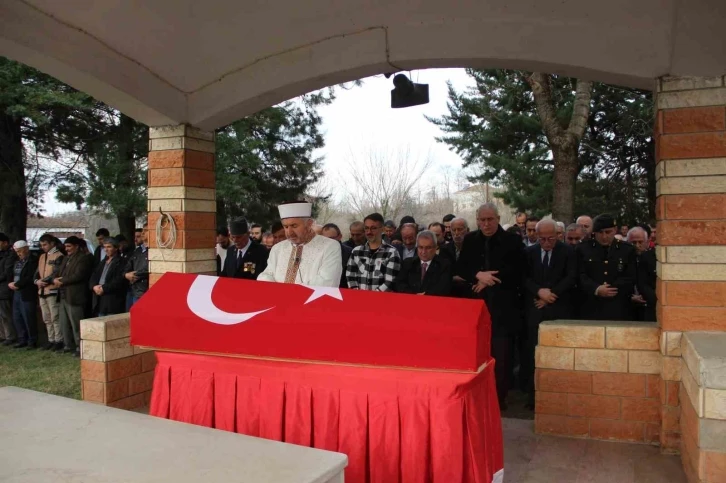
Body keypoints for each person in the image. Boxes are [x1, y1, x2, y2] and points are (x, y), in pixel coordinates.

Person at [456, 203, 525, 409]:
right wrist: (478, 275)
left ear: (497, 218)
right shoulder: (470, 240)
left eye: (490, 219)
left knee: (501, 355)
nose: (486, 224)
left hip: (504, 307)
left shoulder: (512, 240)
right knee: (476, 354)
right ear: (477, 220)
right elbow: (462, 266)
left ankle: (498, 399)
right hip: (476, 306)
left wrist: (488, 279)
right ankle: (477, 396)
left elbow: (517, 270)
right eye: (482, 220)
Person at [522, 220, 577, 407]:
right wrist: (539, 292)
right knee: (533, 353)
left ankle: (558, 396)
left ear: (558, 235)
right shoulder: (529, 253)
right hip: (535, 309)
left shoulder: (568, 252)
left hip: (559, 308)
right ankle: (533, 397)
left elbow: (570, 277)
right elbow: (524, 277)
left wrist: (550, 294)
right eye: (542, 239)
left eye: (551, 238)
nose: (546, 243)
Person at [258, 202, 342, 286]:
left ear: (309, 224)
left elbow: (327, 281)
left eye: (294, 226)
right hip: (277, 298)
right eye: (286, 227)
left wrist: (289, 293)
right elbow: (267, 274)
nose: (289, 232)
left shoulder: (330, 246)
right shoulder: (277, 248)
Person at [577, 214, 637, 321]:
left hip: (618, 306)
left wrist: (611, 289)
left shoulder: (627, 250)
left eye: (608, 232)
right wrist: (596, 289)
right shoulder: (583, 249)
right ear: (594, 232)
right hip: (591, 306)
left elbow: (630, 276)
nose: (604, 236)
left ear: (615, 230)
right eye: (600, 232)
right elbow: (580, 274)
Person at [55, 236, 94, 356]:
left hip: (75, 296)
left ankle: (79, 347)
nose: (67, 249)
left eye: (69, 246)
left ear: (77, 246)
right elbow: (58, 272)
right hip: (63, 295)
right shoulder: (66, 258)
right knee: (64, 323)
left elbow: (79, 275)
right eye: (66, 246)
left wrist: (62, 281)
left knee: (76, 324)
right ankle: (68, 345)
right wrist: (54, 279)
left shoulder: (83, 258)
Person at [346, 212, 401, 292]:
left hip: (382, 301)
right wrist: (356, 294)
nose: (369, 232)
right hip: (358, 300)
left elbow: (390, 281)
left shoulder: (392, 252)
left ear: (382, 229)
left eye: (373, 228)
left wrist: (372, 297)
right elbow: (350, 276)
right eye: (366, 228)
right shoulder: (356, 251)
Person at [394, 230, 452, 296]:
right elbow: (400, 284)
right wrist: (414, 295)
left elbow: (444, 288)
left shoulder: (444, 265)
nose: (424, 252)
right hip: (410, 301)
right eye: (421, 247)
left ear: (435, 247)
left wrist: (425, 295)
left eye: (428, 248)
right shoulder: (408, 263)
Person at [34, 234, 65, 350]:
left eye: (45, 244)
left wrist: (44, 281)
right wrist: (37, 281)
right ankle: (50, 339)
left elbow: (56, 273)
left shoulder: (59, 256)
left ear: (52, 243)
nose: (43, 247)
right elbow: (37, 272)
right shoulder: (42, 256)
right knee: (46, 317)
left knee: (55, 317)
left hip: (52, 290)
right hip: (41, 290)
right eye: (41, 245)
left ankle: (59, 340)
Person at [8, 241, 39, 349]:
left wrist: (18, 284)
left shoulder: (33, 261)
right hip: (16, 292)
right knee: (17, 316)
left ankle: (32, 340)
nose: (18, 254)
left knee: (28, 317)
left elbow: (30, 276)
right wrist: (12, 283)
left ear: (26, 249)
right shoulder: (17, 261)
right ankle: (22, 338)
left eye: (20, 251)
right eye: (17, 252)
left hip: (26, 291)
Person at [89, 237, 128, 317]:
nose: (106, 249)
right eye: (105, 247)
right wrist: (94, 286)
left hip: (112, 298)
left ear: (116, 248)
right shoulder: (103, 261)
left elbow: (119, 280)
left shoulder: (121, 262)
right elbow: (94, 275)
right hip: (99, 298)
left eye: (109, 247)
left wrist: (104, 288)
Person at [628, 227, 657, 322]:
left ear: (647, 241)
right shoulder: (624, 260)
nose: (637, 245)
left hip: (649, 306)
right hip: (629, 307)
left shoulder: (654, 258)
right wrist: (630, 297)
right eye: (633, 243)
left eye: (640, 242)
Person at [322, 223, 353, 289]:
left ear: (340, 236)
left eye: (331, 238)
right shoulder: (319, 253)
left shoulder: (350, 252)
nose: (328, 242)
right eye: (325, 239)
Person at [125, 226, 149, 307]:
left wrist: (134, 275)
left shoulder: (154, 250)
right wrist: (126, 274)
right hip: (133, 289)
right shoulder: (137, 250)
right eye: (142, 231)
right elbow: (128, 265)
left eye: (145, 230)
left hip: (144, 290)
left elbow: (149, 268)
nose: (143, 233)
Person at [0, 233, 18, 346]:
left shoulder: (10, 255)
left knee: (5, 314)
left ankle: (10, 336)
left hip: (4, 289)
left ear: (5, 243)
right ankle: (2, 335)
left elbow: (7, 273)